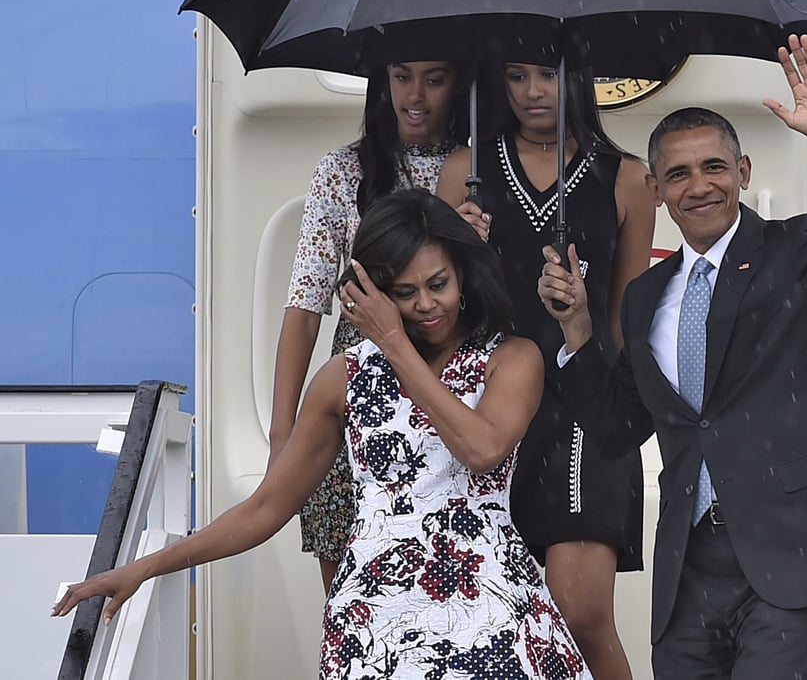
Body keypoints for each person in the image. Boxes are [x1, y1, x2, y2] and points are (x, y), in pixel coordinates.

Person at [54, 189, 594, 680]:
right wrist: (144, 568)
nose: (427, 305)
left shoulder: (512, 356)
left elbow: (482, 449)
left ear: (463, 275)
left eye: (439, 284)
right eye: (404, 292)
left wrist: (394, 344)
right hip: (374, 619)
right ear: (372, 290)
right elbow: (267, 508)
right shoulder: (343, 378)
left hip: (489, 610)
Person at [537, 34, 807, 680]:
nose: (698, 185)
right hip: (689, 568)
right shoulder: (645, 296)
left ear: (743, 173)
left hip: (791, 547)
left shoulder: (798, 249)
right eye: (677, 173)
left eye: (713, 167)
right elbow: (621, 425)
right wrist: (576, 334)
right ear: (655, 189)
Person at [437, 61, 656, 679]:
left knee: (581, 611)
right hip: (488, 404)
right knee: (480, 617)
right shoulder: (463, 171)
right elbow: (430, 306)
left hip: (585, 405)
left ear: (580, 78)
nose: (533, 91)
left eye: (549, 75)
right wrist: (458, 246)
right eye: (515, 75)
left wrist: (624, 414)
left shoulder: (629, 177)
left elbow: (625, 319)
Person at [271, 60, 469, 593]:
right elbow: (305, 304)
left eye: (436, 77)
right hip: (358, 387)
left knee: (450, 587)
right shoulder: (342, 170)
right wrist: (281, 436)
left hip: (452, 382)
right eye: (401, 76)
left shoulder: (482, 169)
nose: (416, 94)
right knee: (350, 596)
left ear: (461, 84)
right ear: (382, 84)